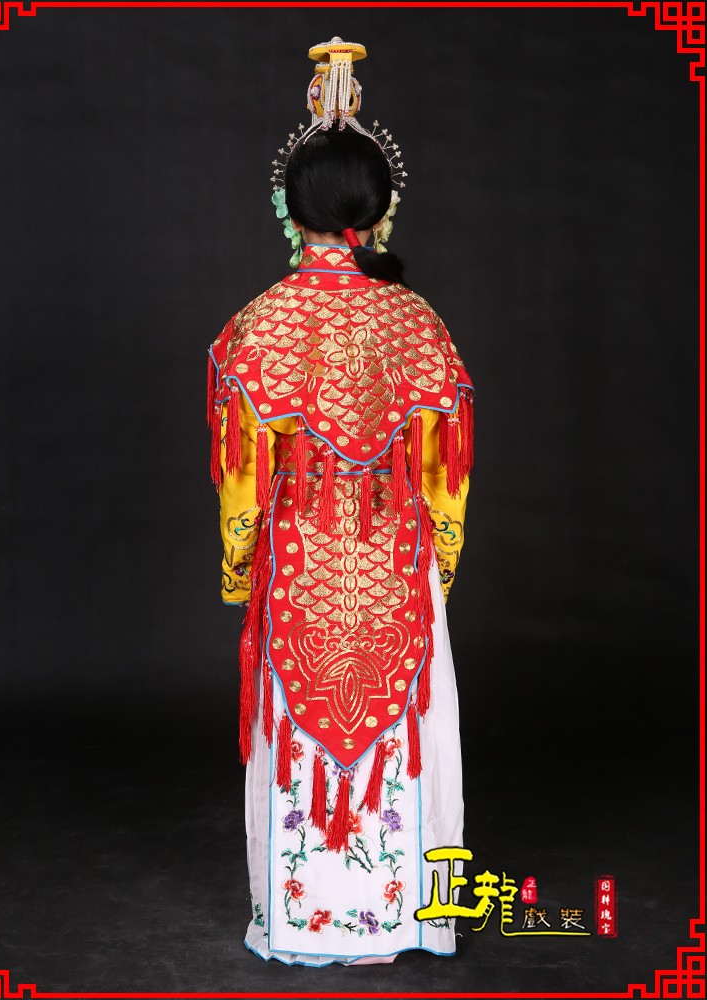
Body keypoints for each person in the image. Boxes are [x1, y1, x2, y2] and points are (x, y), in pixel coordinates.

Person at [206, 37, 475, 966]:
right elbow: (446, 474)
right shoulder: (417, 321)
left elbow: (242, 477)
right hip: (394, 564)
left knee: (299, 727)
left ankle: (303, 919)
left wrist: (241, 566)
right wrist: (440, 562)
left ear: (290, 208)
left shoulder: (260, 324)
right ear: (379, 209)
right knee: (405, 729)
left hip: (302, 563)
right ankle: (405, 918)